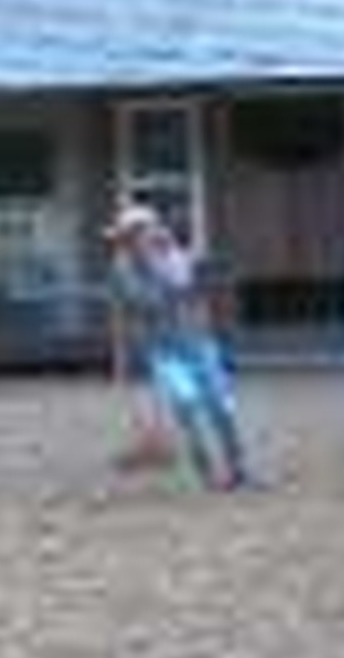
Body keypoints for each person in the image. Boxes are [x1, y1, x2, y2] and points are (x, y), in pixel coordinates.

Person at [104, 203, 257, 491]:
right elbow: (144, 304)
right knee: (187, 406)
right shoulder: (122, 269)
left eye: (131, 235)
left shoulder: (173, 255)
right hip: (165, 352)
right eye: (125, 238)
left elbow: (183, 288)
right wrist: (121, 356)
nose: (126, 243)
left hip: (199, 343)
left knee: (222, 408)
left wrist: (167, 268)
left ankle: (240, 471)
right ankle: (208, 474)